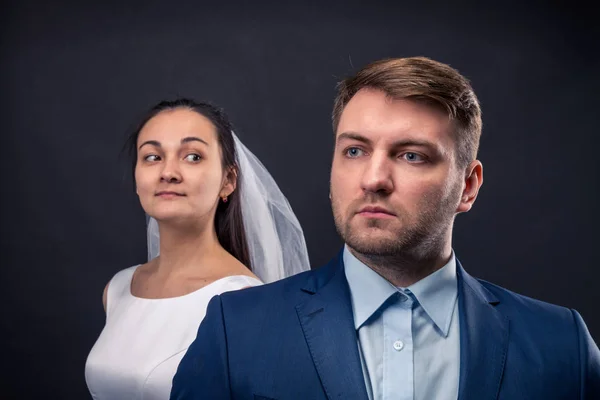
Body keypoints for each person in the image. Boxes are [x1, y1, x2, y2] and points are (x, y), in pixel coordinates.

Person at [170, 58, 600, 399]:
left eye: (411, 155)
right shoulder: (235, 330)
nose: (373, 178)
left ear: (467, 187)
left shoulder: (562, 345)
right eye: (354, 150)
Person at [84, 98, 310, 400]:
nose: (168, 172)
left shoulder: (244, 301)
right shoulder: (118, 290)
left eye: (192, 156)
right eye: (152, 157)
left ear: (228, 180)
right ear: (137, 179)